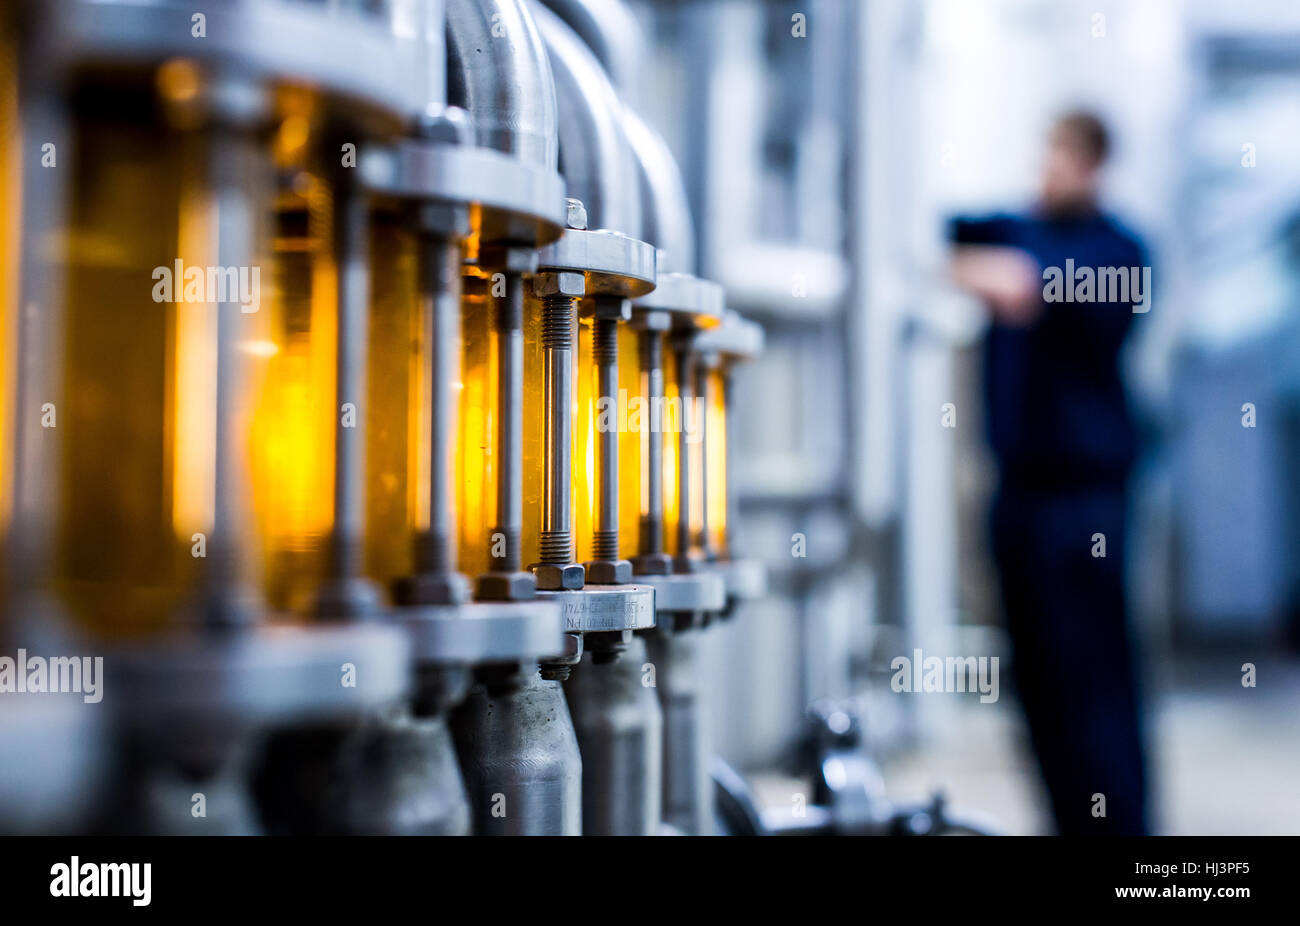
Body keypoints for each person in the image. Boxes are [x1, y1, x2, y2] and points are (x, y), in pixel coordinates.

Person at [948, 111, 1150, 834]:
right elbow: (946, 238)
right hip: (1020, 496)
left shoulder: (1119, 252)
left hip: (1083, 505)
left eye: (1061, 155)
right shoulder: (1017, 227)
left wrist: (978, 271)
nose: (1047, 167)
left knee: (1092, 681)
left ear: (1094, 164)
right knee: (1036, 684)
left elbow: (1024, 288)